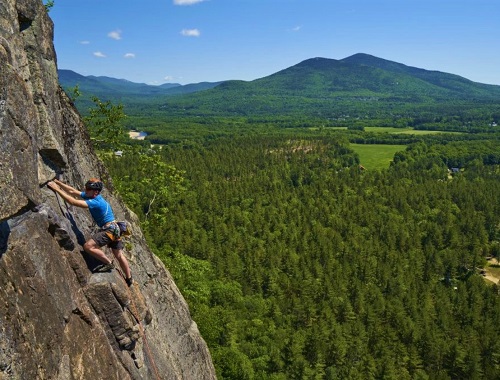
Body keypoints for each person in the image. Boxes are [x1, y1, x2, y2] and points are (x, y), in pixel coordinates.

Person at [48, 178, 133, 286]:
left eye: (88, 189)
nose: (86, 190)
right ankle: (129, 278)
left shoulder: (95, 202)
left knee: (88, 246)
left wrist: (56, 189)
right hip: (115, 229)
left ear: (95, 192)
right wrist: (58, 183)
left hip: (110, 230)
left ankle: (108, 263)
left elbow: (73, 202)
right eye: (86, 188)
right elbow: (73, 192)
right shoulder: (94, 196)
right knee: (119, 255)